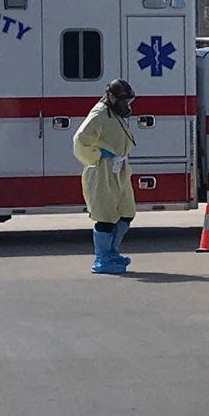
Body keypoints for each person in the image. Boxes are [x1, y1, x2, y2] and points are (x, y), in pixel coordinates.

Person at [73, 78, 137, 274]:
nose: (125, 106)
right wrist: (99, 155)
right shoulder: (100, 113)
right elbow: (80, 140)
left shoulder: (113, 114)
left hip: (119, 169)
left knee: (126, 212)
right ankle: (101, 259)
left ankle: (112, 252)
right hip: (102, 170)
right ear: (111, 96)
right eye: (123, 101)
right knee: (105, 215)